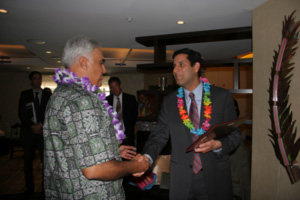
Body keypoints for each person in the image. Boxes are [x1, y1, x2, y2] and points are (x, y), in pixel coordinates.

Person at [43, 35, 149, 199]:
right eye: (101, 62)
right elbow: (95, 170)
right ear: (84, 62)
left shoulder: (59, 94)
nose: (104, 70)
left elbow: (70, 148)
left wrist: (112, 149)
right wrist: (135, 166)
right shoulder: (83, 99)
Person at [135, 48, 242, 200]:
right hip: (182, 179)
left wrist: (218, 144)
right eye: (173, 66)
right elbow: (159, 135)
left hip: (215, 176)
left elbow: (235, 133)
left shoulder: (221, 97)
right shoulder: (170, 101)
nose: (175, 70)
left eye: (181, 64)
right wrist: (147, 157)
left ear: (196, 67)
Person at [18, 71, 52, 199]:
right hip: (29, 133)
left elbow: (50, 113)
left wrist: (41, 125)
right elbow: (21, 113)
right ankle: (29, 188)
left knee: (46, 162)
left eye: (39, 78)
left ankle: (45, 187)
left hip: (43, 133)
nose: (37, 81)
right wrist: (32, 126)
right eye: (35, 79)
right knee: (27, 161)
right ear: (31, 81)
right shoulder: (25, 94)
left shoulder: (48, 95)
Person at [106, 77, 138, 147]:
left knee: (129, 156)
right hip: (113, 135)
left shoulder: (130, 99)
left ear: (120, 86)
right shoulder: (107, 100)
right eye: (111, 87)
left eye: (116, 86)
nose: (114, 89)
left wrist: (134, 133)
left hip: (127, 134)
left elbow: (135, 118)